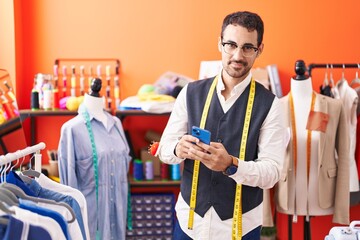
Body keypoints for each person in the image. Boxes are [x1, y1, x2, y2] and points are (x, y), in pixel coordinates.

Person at [157, 11, 286, 240]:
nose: (237, 55)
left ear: (259, 49)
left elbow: (272, 173)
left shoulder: (271, 105)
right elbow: (164, 148)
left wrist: (232, 165)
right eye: (231, 45)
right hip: (189, 224)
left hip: (241, 228)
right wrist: (178, 148)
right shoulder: (190, 93)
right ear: (220, 44)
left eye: (248, 47)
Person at [58, 78, 132, 240]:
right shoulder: (72, 129)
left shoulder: (117, 124)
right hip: (90, 223)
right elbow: (68, 184)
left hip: (118, 218)